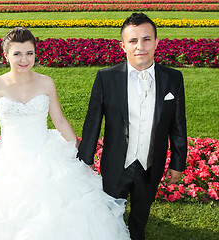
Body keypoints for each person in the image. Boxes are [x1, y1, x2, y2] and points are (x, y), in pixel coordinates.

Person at [0, 27, 130, 239]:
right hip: (9, 156)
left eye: (29, 53)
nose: (24, 59)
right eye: (17, 53)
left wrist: (78, 149)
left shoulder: (46, 82)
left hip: (45, 153)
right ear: (6, 55)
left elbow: (60, 120)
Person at [78, 13, 187, 240]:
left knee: (141, 211)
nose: (141, 46)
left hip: (151, 163)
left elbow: (178, 124)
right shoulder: (106, 78)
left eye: (147, 39)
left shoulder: (173, 79)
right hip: (117, 162)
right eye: (133, 41)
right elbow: (93, 121)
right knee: (109, 211)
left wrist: (178, 162)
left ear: (157, 42)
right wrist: (86, 158)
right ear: (123, 46)